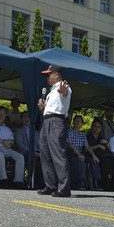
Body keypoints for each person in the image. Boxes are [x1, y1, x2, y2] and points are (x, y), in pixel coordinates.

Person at [37, 64, 72, 198]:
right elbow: (55, 106)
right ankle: (50, 185)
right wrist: (43, 108)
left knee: (58, 152)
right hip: (47, 120)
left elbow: (64, 94)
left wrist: (63, 91)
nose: (47, 77)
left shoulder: (64, 87)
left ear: (56, 74)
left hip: (56, 121)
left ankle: (64, 188)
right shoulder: (51, 91)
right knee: (45, 153)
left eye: (49, 74)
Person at [0, 106, 25, 188]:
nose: (1, 116)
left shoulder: (7, 129)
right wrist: (3, 141)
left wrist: (7, 142)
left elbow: (12, 141)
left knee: (20, 157)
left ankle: (18, 181)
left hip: (6, 148)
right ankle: (3, 180)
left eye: (4, 114)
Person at [14, 111, 43, 189]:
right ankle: (30, 181)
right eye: (24, 117)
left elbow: (40, 144)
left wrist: (40, 152)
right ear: (21, 119)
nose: (26, 119)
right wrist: (31, 152)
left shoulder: (36, 132)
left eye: (28, 117)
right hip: (24, 152)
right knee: (33, 158)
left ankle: (42, 182)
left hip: (36, 152)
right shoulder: (19, 131)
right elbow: (20, 144)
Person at [67, 115, 95, 190]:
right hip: (71, 152)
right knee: (76, 160)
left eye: (79, 121)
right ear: (73, 122)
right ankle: (78, 183)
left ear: (82, 124)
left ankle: (92, 183)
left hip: (80, 153)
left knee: (91, 160)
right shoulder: (69, 132)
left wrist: (94, 155)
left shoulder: (83, 135)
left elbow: (87, 146)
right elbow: (70, 145)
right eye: (76, 121)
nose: (77, 122)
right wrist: (79, 154)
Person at [85, 118, 109, 190]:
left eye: (98, 127)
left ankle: (104, 184)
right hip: (89, 155)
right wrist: (98, 146)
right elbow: (86, 149)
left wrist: (107, 143)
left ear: (101, 128)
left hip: (101, 155)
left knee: (107, 162)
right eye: (95, 126)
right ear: (92, 127)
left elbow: (106, 149)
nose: (96, 128)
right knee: (94, 161)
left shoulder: (101, 138)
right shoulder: (87, 137)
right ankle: (95, 183)